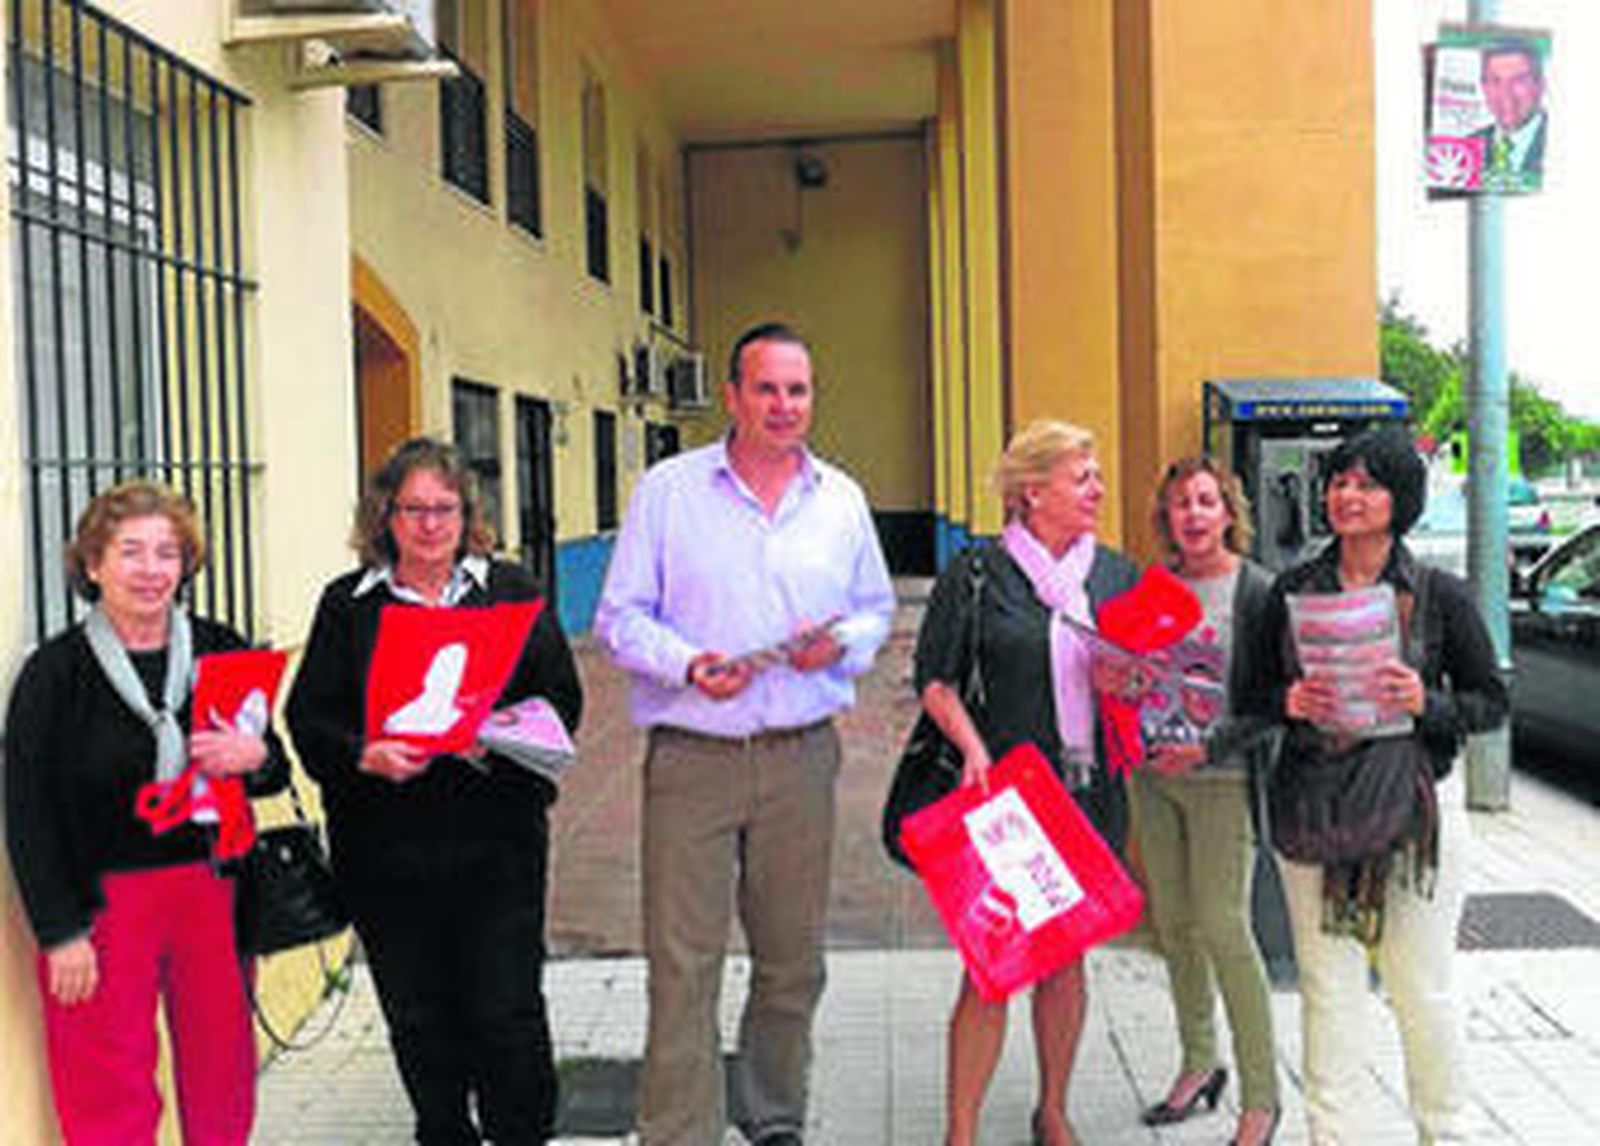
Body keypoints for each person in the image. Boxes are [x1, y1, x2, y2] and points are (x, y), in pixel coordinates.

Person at [594, 322, 894, 1146]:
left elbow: (875, 606)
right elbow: (618, 618)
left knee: (792, 961)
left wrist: (847, 645)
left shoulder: (840, 499)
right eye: (766, 388)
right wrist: (690, 664)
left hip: (801, 757)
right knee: (683, 964)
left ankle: (773, 1118)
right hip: (693, 760)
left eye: (797, 390)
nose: (783, 406)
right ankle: (679, 1131)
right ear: (730, 395)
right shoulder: (669, 490)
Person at [286, 437, 582, 1145]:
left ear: (466, 513)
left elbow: (560, 700)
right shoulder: (348, 604)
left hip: (496, 843)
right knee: (418, 1013)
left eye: (443, 508)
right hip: (385, 849)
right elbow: (310, 717)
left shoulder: (510, 591)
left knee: (504, 1008)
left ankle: (520, 1134)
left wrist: (498, 735)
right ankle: (443, 1132)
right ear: (384, 516)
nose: (429, 524)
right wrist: (365, 755)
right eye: (412, 509)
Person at [1239, 426, 1508, 1144]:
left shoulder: (1440, 595)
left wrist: (1428, 702)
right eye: (1338, 482)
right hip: (1316, 809)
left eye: (1366, 483)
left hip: (1417, 813)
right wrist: (1285, 704)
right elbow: (1251, 697)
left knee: (1421, 991)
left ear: (1402, 499)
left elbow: (1491, 701)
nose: (1345, 495)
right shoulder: (1291, 590)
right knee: (1328, 993)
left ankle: (1446, 1133)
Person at [4, 481, 288, 1145]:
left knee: (222, 1075)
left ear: (185, 565)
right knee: (106, 1085)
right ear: (93, 563)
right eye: (130, 552)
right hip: (102, 906)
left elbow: (272, 773)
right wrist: (59, 931)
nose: (151, 569)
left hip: (213, 891)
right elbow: (27, 813)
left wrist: (256, 755)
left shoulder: (223, 649)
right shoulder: (55, 675)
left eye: (167, 552)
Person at [913, 420, 1137, 1146]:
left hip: (1090, 791)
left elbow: (1147, 684)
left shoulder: (1113, 574)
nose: (1098, 489)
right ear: (1032, 491)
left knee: (1066, 958)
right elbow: (935, 682)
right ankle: (961, 1129)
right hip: (1008, 799)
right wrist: (972, 746)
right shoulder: (977, 573)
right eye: (1083, 477)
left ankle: (1053, 1110)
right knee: (993, 963)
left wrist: (1128, 681)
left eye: (1097, 475)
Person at [1124, 457, 1279, 1146]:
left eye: (1206, 502)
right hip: (1153, 776)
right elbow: (1132, 672)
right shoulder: (1152, 586)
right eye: (1180, 503)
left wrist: (1211, 749)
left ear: (1228, 512)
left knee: (1223, 924)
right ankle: (1197, 1063)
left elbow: (1277, 703)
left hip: (1222, 780)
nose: (1192, 514)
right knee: (1176, 925)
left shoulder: (1258, 592)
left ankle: (1262, 1098)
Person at [1473, 40, 1547, 189]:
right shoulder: (1469, 145)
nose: (1505, 95)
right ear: (1483, 87)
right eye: (1495, 81)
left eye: (1519, 80)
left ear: (1540, 85)